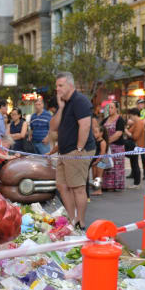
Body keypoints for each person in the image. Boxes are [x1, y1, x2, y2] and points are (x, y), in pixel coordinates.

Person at [49, 71, 95, 229]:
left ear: (70, 85)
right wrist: (60, 108)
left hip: (77, 151)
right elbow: (53, 126)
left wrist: (79, 149)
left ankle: (80, 223)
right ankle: (72, 218)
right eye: (56, 86)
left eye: (60, 85)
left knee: (77, 188)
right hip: (64, 152)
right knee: (61, 186)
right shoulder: (64, 103)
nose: (58, 89)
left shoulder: (80, 100)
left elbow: (85, 125)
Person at [102, 101, 126, 191]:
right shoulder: (105, 119)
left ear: (116, 109)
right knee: (106, 165)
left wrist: (108, 141)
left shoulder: (120, 119)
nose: (110, 109)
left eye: (112, 107)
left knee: (116, 167)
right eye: (109, 107)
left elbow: (118, 134)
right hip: (106, 147)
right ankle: (106, 185)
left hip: (117, 147)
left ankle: (115, 186)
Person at [125, 107, 145, 186]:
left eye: (131, 116)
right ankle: (136, 181)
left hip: (136, 146)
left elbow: (135, 136)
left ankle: (137, 183)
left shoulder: (139, 123)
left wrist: (126, 131)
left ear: (134, 115)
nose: (130, 118)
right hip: (134, 146)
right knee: (133, 163)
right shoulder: (136, 123)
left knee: (135, 163)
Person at [90, 123, 109, 196]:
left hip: (102, 160)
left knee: (99, 175)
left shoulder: (102, 142)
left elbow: (102, 153)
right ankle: (96, 188)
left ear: (101, 133)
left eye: (96, 132)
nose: (94, 134)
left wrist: (97, 161)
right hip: (95, 159)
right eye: (93, 132)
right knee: (94, 175)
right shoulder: (95, 141)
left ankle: (99, 190)